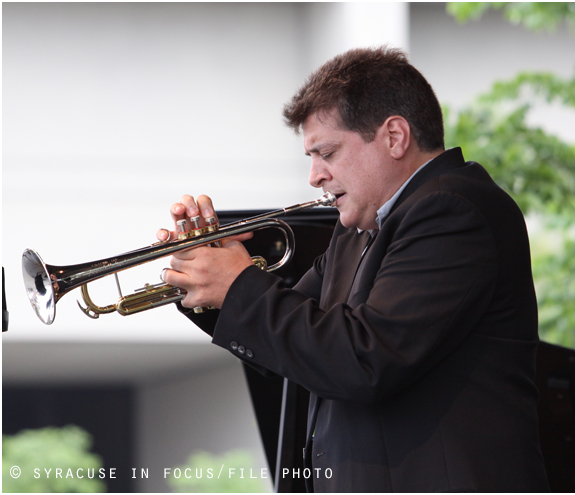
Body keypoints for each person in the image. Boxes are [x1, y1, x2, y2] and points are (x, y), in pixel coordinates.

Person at [157, 47, 549, 492]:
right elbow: (298, 336)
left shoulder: (452, 209)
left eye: (326, 152)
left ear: (395, 137)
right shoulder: (358, 229)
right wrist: (206, 282)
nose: (314, 176)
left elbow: (364, 359)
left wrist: (238, 285)